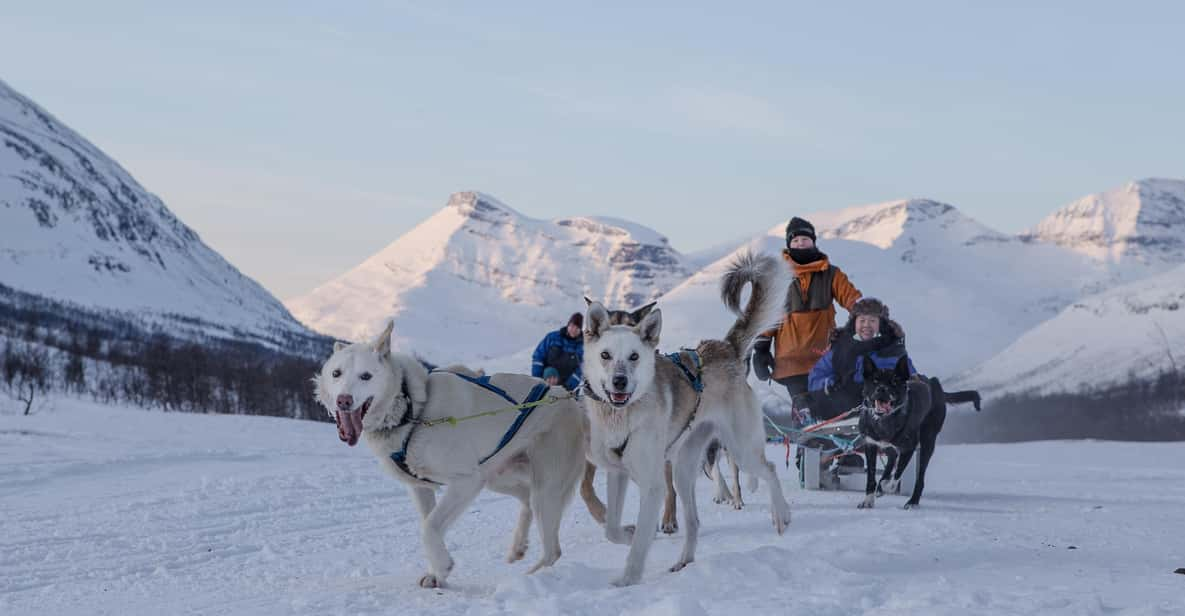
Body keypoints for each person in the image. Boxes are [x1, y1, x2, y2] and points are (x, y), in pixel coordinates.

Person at [752, 217, 863, 397]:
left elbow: (851, 299)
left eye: (805, 239)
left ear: (813, 242)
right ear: (789, 245)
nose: (801, 243)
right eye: (795, 240)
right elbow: (770, 315)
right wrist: (761, 348)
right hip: (791, 362)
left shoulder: (831, 274)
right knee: (804, 411)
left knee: (828, 407)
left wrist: (866, 317)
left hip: (824, 359)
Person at [798, 297, 915, 421]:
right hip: (841, 406)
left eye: (872, 321)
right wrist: (828, 383)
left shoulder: (893, 349)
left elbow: (909, 378)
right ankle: (809, 426)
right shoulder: (840, 348)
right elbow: (817, 374)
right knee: (803, 400)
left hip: (882, 407)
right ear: (854, 323)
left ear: (881, 324)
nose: (866, 325)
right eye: (862, 320)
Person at [531, 312, 584, 391]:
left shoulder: (583, 346)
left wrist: (569, 386)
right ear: (568, 325)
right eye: (572, 326)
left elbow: (582, 367)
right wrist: (537, 378)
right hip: (546, 379)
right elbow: (538, 356)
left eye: (577, 328)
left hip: (567, 385)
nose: (574, 330)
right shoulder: (552, 337)